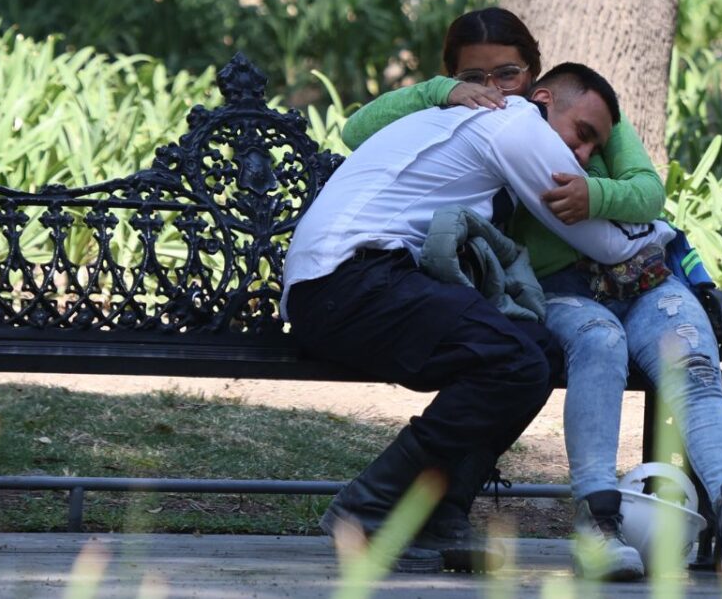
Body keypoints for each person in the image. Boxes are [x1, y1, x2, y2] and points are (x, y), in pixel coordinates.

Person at [340, 7, 722, 584]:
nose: (493, 89)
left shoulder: (581, 109)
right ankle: (597, 524)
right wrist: (443, 93)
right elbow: (354, 131)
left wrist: (595, 194)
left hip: (645, 280)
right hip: (559, 290)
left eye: (508, 74)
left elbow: (647, 191)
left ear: (536, 78)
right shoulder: (471, 120)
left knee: (692, 366)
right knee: (598, 344)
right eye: (475, 76)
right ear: (453, 78)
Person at [283, 62, 667, 574]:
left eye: (596, 147)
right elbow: (606, 243)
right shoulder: (518, 126)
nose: (583, 156)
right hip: (345, 281)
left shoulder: (493, 121)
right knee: (513, 361)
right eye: (583, 133)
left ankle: (441, 511)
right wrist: (663, 233)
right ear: (546, 98)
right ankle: (368, 507)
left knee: (539, 351)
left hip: (354, 283)